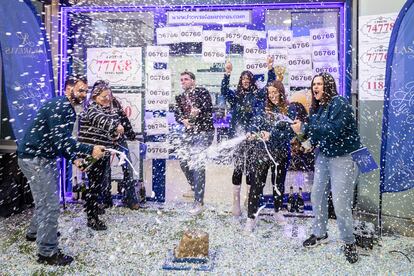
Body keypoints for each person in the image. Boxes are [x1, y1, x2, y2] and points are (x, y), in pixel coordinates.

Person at [17, 75, 106, 266]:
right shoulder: (61, 106)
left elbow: (59, 142)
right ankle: (47, 252)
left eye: (86, 91)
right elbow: (63, 142)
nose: (84, 94)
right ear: (68, 89)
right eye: (80, 90)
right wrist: (90, 149)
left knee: (44, 200)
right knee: (49, 204)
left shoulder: (65, 107)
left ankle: (36, 233)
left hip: (40, 156)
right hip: (35, 159)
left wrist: (74, 158)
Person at [291, 72, 361, 264]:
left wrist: (306, 128)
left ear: (328, 85)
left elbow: (333, 130)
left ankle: (349, 241)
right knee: (317, 195)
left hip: (343, 158)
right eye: (314, 84)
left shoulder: (340, 103)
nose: (316, 87)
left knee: (340, 203)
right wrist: (302, 138)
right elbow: (316, 135)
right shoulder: (317, 108)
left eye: (320, 84)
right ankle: (320, 233)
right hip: (324, 155)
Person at [221, 57, 275, 217]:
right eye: (243, 79)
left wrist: (270, 69)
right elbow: (224, 91)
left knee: (252, 171)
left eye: (248, 79)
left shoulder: (257, 95)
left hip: (253, 138)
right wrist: (227, 74)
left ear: (251, 81)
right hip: (238, 138)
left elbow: (269, 86)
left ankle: (248, 200)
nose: (245, 81)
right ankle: (236, 202)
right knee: (237, 169)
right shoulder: (235, 96)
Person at [244, 80, 297, 232]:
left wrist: (272, 135)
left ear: (281, 92)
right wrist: (251, 131)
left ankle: (278, 212)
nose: (272, 96)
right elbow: (254, 122)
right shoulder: (263, 108)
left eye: (275, 92)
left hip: (281, 153)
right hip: (262, 152)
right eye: (270, 93)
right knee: (256, 185)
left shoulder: (290, 109)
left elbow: (289, 132)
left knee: (278, 184)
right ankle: (251, 218)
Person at [77, 80, 125, 230]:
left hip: (101, 154)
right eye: (103, 96)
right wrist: (116, 127)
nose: (107, 99)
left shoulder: (105, 109)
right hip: (91, 154)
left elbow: (111, 129)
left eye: (108, 96)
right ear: (95, 97)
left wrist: (115, 131)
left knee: (96, 185)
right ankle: (91, 218)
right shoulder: (92, 109)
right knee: (94, 186)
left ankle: (93, 212)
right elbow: (104, 122)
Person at [174, 71, 214, 215]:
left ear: (193, 81)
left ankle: (199, 202)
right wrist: (183, 120)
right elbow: (177, 115)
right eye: (181, 79)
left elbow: (209, 110)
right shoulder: (179, 97)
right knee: (184, 162)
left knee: (197, 164)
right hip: (189, 133)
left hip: (204, 132)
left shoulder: (202, 92)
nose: (183, 81)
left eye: (186, 79)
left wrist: (199, 113)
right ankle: (195, 186)